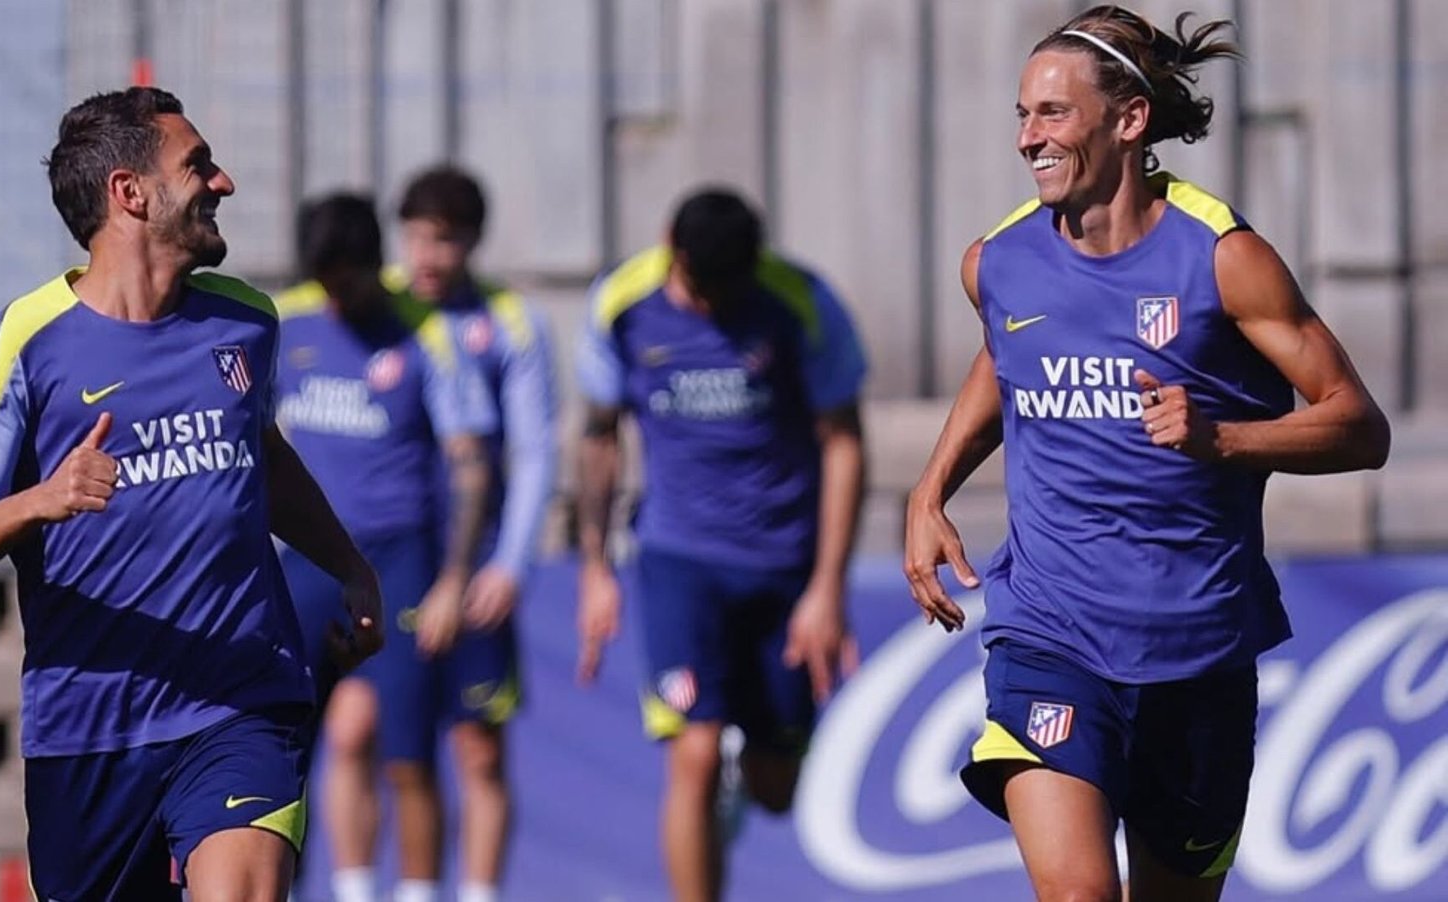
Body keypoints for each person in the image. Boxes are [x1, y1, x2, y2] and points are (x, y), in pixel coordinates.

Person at [901, 7, 1391, 902]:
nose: (1026, 139)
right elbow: (1006, 356)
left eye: (1051, 114)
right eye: (1021, 114)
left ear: (1129, 122)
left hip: (1197, 649)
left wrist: (1223, 438)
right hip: (1050, 632)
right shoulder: (998, 261)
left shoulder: (1223, 258)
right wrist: (930, 490)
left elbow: (1361, 426)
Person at [0, 87, 382, 902]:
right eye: (197, 165)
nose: (224, 182)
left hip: (240, 698)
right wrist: (41, 499)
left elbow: (260, 457)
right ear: (130, 193)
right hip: (88, 729)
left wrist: (350, 566)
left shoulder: (247, 323)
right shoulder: (19, 342)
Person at [574, 187, 868, 902]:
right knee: (693, 753)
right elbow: (600, 438)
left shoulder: (802, 305)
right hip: (680, 561)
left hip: (783, 566)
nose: (710, 308)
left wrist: (828, 588)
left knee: (776, 788)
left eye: (725, 293)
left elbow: (843, 444)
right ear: (671, 246)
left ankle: (750, 767)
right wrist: (594, 570)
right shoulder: (623, 303)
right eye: (699, 291)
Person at [273, 192, 497, 902]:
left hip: (400, 561)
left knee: (408, 756)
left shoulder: (424, 335)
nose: (338, 296)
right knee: (289, 750)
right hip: (306, 563)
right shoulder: (284, 324)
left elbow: (470, 461)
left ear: (376, 265)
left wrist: (455, 579)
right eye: (326, 281)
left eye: (350, 279)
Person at [380, 164, 558, 902]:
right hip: (394, 558)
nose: (427, 255)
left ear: (474, 242)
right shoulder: (379, 309)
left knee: (478, 750)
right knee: (383, 743)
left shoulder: (510, 323)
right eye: (417, 236)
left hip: (476, 562)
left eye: (445, 240)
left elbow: (535, 449)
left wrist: (510, 565)